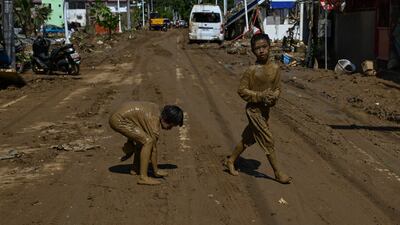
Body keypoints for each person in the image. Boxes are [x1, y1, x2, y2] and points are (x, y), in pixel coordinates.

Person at [224, 33, 292, 184]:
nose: (261, 51)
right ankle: (278, 173)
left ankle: (231, 160)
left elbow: (278, 89)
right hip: (254, 111)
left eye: (264, 47)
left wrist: (274, 96)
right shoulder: (252, 70)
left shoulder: (275, 68)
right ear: (253, 51)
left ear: (270, 47)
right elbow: (241, 90)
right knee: (268, 140)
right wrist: (260, 96)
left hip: (265, 111)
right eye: (257, 48)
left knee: (248, 138)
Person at [109, 101, 184, 185]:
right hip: (119, 120)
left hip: (118, 115)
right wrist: (156, 170)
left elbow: (135, 119)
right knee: (148, 142)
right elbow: (153, 149)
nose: (169, 129)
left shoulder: (156, 109)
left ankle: (135, 168)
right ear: (166, 119)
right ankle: (143, 177)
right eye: (171, 126)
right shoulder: (154, 120)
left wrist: (130, 141)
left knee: (142, 140)